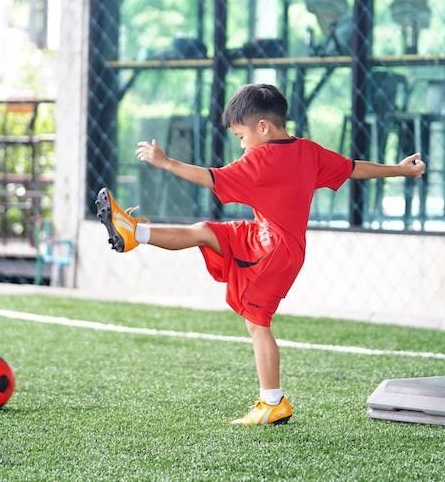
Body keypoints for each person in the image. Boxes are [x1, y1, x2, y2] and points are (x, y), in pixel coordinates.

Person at [95, 83, 425, 426]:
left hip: (271, 251)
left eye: (241, 136)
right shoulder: (309, 151)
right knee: (204, 232)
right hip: (267, 238)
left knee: (258, 324)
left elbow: (211, 177)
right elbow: (354, 168)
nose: (241, 144)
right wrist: (399, 169)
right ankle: (133, 233)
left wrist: (166, 163)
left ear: (263, 127)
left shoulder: (260, 159)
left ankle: (273, 402)